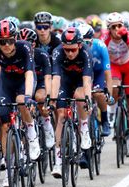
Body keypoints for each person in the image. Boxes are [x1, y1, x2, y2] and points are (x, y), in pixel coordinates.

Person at [0, 19, 40, 187]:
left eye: (10, 40)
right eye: (2, 41)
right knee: (5, 123)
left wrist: (29, 96)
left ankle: (31, 130)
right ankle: (9, 171)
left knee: (22, 101)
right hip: (7, 84)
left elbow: (30, 74)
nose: (6, 45)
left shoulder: (24, 47)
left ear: (15, 39)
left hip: (24, 81)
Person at [49, 27, 93, 177]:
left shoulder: (86, 52)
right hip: (64, 81)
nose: (70, 53)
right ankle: (58, 162)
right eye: (67, 50)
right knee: (61, 115)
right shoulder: (57, 52)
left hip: (80, 81)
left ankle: (84, 128)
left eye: (73, 50)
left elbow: (87, 81)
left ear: (79, 45)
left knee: (80, 96)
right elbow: (55, 79)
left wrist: (88, 100)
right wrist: (52, 101)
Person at [103, 12, 129, 157]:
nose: (117, 29)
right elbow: (101, 58)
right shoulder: (105, 38)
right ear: (109, 29)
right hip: (114, 66)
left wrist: (128, 42)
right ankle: (112, 113)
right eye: (114, 27)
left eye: (120, 26)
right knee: (115, 87)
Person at [17, 28, 54, 149]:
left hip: (40, 83)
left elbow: (49, 78)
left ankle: (47, 125)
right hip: (25, 84)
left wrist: (48, 96)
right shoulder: (16, 56)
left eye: (26, 43)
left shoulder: (42, 55)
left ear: (33, 43)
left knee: (40, 98)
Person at [78, 24, 113, 136]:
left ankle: (104, 120)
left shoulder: (100, 46)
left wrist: (109, 94)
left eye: (87, 43)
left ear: (92, 40)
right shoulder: (74, 49)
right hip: (82, 74)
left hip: (97, 73)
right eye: (82, 44)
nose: (85, 47)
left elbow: (107, 73)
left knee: (99, 94)